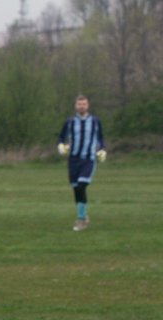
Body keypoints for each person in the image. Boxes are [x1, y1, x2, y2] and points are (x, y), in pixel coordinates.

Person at [57, 94, 106, 231]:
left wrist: (102, 150)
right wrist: (61, 146)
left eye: (84, 104)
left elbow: (100, 138)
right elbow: (61, 137)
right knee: (76, 189)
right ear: (75, 106)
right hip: (73, 160)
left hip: (88, 159)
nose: (82, 106)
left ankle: (80, 220)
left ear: (88, 105)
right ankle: (83, 215)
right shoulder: (70, 121)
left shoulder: (95, 121)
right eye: (79, 104)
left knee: (81, 186)